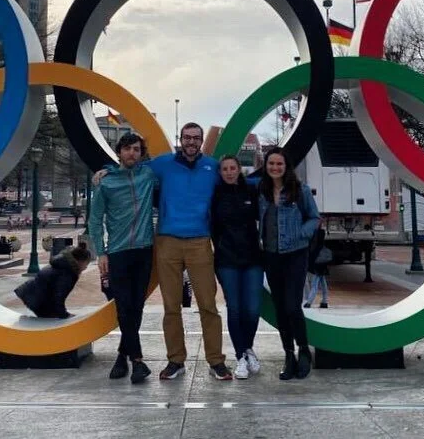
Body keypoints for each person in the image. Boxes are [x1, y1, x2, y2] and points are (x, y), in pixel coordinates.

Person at [98, 122, 230, 381]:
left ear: (201, 141)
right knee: (171, 307)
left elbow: (236, 179)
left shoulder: (212, 167)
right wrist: (107, 170)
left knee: (208, 305)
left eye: (196, 138)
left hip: (200, 242)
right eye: (187, 137)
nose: (191, 142)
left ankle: (216, 361)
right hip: (167, 242)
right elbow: (130, 167)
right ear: (180, 139)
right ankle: (175, 361)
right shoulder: (163, 163)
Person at [87, 132, 157, 384]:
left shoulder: (148, 175)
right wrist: (101, 252)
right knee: (123, 305)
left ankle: (121, 355)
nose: (132, 153)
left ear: (141, 153)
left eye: (137, 149)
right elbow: (94, 220)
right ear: (119, 152)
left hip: (144, 249)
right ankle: (137, 361)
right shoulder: (105, 182)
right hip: (117, 253)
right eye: (127, 149)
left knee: (135, 307)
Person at [259, 146, 321, 380]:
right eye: (271, 164)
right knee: (280, 308)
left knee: (292, 306)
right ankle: (288, 354)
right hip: (272, 256)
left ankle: (304, 350)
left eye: (279, 164)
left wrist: (301, 235)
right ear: (266, 166)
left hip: (295, 255)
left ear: (286, 167)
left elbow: (314, 217)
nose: (275, 168)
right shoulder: (262, 191)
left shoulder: (299, 190)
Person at [211, 154, 264, 380]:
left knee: (252, 309)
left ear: (239, 169)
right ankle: (241, 356)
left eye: (233, 168)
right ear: (220, 172)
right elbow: (213, 229)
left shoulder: (251, 190)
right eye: (225, 169)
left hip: (253, 258)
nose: (230, 172)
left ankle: (247, 348)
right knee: (235, 309)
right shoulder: (215, 195)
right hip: (227, 260)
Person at [14, 243, 92, 319]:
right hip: (37, 299)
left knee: (52, 317)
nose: (86, 267)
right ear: (80, 261)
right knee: (52, 320)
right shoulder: (68, 273)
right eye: (86, 264)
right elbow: (59, 296)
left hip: (31, 293)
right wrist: (64, 315)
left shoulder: (63, 263)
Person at [304, 224, 330, 309]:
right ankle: (324, 301)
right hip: (321, 262)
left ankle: (309, 302)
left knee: (315, 283)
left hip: (316, 263)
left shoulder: (314, 235)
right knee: (323, 283)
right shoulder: (320, 234)